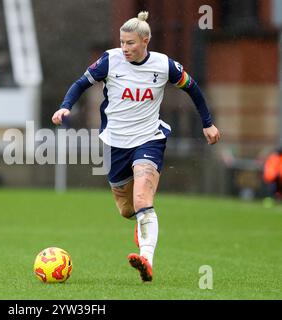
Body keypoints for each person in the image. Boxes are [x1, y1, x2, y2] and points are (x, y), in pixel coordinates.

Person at [51, 12, 220, 282]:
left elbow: (193, 88)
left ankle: (146, 259)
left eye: (130, 43)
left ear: (145, 41)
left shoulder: (165, 66)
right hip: (115, 142)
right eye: (122, 42)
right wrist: (64, 107)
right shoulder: (110, 60)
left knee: (142, 199)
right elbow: (81, 83)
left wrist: (208, 123)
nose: (125, 48)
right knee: (127, 209)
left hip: (149, 138)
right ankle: (143, 221)